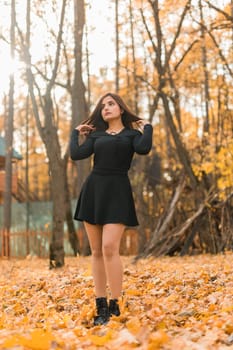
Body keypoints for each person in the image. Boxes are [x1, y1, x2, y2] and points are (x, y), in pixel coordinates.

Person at [70, 92, 153, 326]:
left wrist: (148, 128)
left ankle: (116, 303)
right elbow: (77, 154)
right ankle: (101, 306)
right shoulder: (96, 135)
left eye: (110, 104)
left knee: (109, 248)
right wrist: (75, 134)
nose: (105, 108)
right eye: (103, 106)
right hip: (94, 191)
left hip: (117, 191)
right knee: (96, 252)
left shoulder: (131, 135)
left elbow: (144, 148)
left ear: (121, 109)